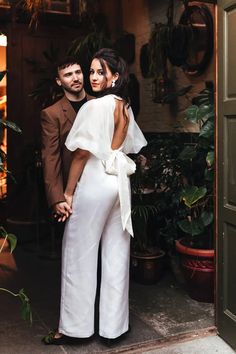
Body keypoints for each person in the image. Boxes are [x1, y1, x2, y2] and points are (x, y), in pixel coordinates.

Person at [43, 48, 147, 345]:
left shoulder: (93, 107)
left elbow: (81, 156)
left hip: (95, 180)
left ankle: (75, 328)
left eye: (101, 72)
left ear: (115, 76)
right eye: (91, 71)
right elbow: (127, 148)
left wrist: (67, 192)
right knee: (116, 253)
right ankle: (113, 328)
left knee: (78, 254)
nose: (93, 77)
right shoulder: (124, 106)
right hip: (119, 184)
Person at [41, 56, 94, 218]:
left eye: (78, 72)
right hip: (73, 189)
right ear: (59, 81)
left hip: (102, 182)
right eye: (68, 74)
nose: (75, 78)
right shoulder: (51, 114)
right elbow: (51, 157)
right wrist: (56, 198)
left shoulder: (100, 104)